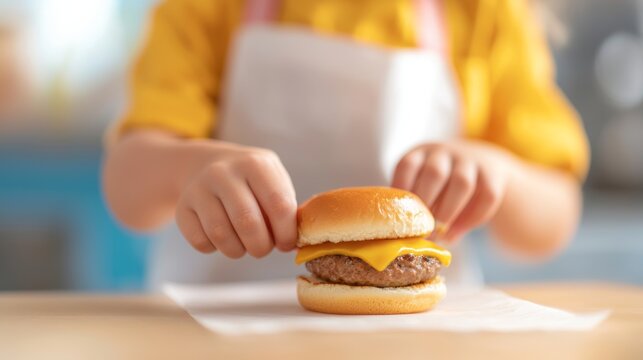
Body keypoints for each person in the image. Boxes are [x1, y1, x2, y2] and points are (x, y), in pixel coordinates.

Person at [103, 0, 589, 289]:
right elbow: (128, 188)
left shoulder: (482, 14)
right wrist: (186, 169)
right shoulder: (205, 9)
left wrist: (498, 174)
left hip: (421, 341)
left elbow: (554, 217)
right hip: (215, 325)